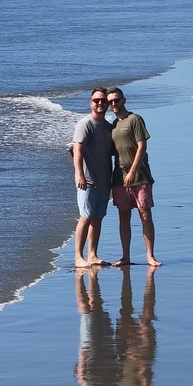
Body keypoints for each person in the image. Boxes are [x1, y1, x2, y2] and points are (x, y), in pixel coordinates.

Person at [106, 87, 159, 266]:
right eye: (110, 101)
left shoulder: (134, 119)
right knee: (123, 216)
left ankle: (150, 256)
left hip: (140, 176)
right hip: (119, 177)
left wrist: (132, 172)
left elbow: (142, 147)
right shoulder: (113, 124)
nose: (113, 104)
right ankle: (125, 256)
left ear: (124, 100)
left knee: (145, 214)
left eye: (116, 100)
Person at [71, 87, 114, 267]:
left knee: (97, 218)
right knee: (86, 216)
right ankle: (78, 257)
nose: (100, 103)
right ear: (91, 103)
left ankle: (93, 255)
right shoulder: (85, 123)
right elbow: (77, 149)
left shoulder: (108, 127)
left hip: (104, 180)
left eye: (103, 101)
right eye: (96, 100)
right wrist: (80, 175)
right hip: (87, 180)